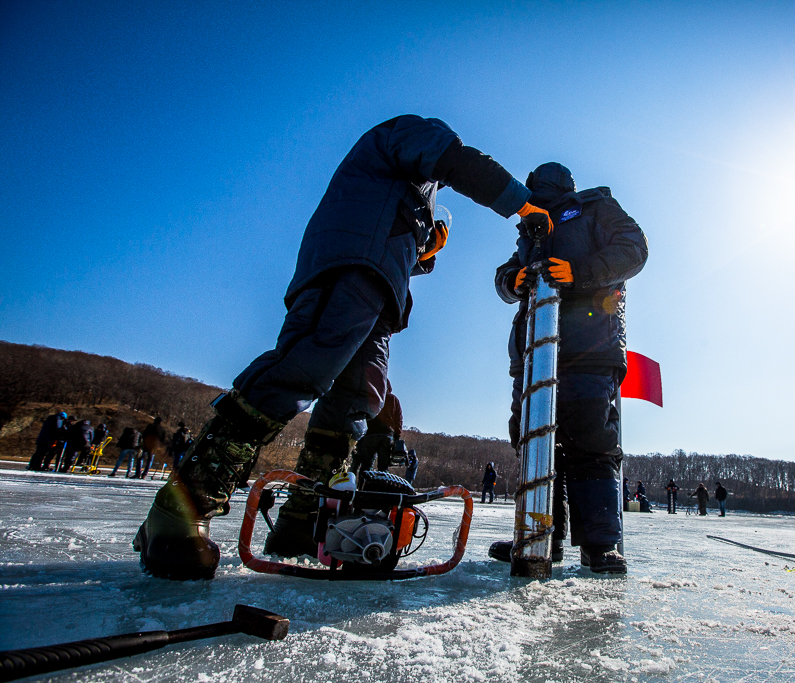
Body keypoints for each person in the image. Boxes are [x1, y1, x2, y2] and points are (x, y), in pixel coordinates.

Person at [134, 114, 553, 580]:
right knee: (305, 365)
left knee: (356, 398)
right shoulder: (410, 133)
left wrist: (421, 250)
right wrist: (523, 205)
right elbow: (455, 160)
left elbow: (393, 232)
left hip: (380, 287)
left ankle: (301, 519)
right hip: (351, 265)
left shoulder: (407, 195)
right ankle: (180, 507)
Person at [489, 162, 648, 574]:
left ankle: (599, 544)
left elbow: (634, 248)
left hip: (589, 346)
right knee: (533, 440)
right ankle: (541, 535)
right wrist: (514, 279)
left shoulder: (597, 208)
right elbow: (504, 275)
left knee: (590, 440)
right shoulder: (531, 228)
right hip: (532, 354)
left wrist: (580, 273)